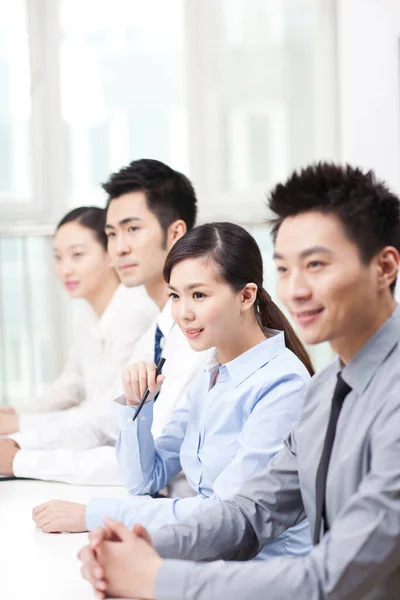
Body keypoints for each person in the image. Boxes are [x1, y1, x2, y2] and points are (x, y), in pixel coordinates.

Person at [79, 163, 400, 600]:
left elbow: (330, 576)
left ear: (384, 268)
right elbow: (251, 512)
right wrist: (140, 545)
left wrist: (155, 578)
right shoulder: (327, 390)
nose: (296, 289)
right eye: (285, 269)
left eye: (317, 265)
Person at [34, 223, 313, 563]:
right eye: (175, 296)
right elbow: (144, 480)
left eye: (199, 295)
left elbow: (224, 514)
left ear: (246, 295)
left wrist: (93, 515)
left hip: (263, 570)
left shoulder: (283, 385)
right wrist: (138, 407)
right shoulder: (210, 372)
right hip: (211, 552)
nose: (183, 313)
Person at [13, 159, 204, 493]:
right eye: (112, 234)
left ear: (175, 233)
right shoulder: (158, 330)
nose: (119, 247)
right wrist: (18, 445)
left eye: (132, 229)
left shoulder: (196, 332)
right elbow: (103, 418)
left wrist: (20, 459)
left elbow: (150, 456)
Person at [0, 206, 156, 478]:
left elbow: (104, 412)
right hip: (92, 440)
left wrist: (19, 425)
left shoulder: (135, 312)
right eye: (58, 258)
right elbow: (70, 385)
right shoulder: (88, 312)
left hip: (115, 454)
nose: (65, 269)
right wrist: (14, 412)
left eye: (77, 255)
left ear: (110, 255)